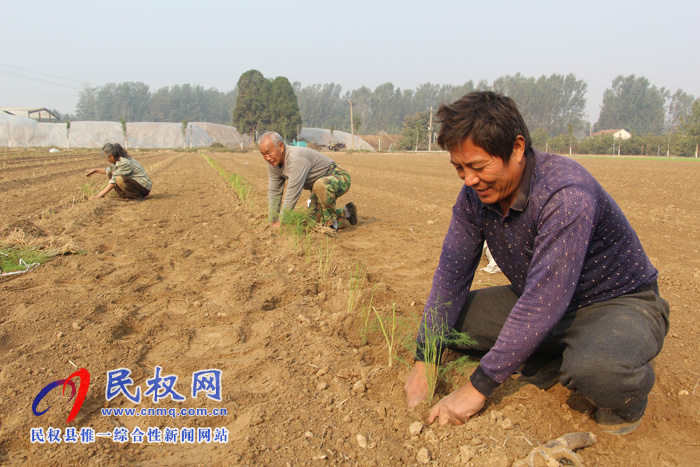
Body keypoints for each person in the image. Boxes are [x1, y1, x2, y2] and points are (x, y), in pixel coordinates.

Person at [404, 91, 669, 435]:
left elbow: (543, 302)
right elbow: (451, 276)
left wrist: (477, 388)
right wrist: (425, 359)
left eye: (479, 166)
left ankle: (622, 395)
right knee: (450, 323)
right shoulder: (475, 196)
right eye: (459, 167)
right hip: (539, 299)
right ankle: (554, 357)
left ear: (516, 148)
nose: (469, 179)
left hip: (615, 304)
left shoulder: (565, 193)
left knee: (598, 370)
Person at [259, 131, 357, 230]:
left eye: (268, 153)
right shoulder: (273, 164)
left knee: (321, 185)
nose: (267, 158)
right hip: (317, 187)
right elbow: (274, 192)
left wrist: (282, 222)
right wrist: (273, 221)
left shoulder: (295, 158)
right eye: (263, 155)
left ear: (280, 146)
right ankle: (347, 212)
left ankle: (332, 225)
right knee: (311, 220)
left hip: (338, 176)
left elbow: (292, 192)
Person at [85, 143, 152, 200]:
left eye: (105, 157)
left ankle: (135, 197)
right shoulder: (118, 161)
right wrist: (95, 170)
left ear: (111, 156)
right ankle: (127, 196)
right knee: (111, 174)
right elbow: (108, 170)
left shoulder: (124, 162)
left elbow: (113, 182)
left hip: (144, 187)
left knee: (119, 179)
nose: (106, 159)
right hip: (138, 186)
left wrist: (98, 196)